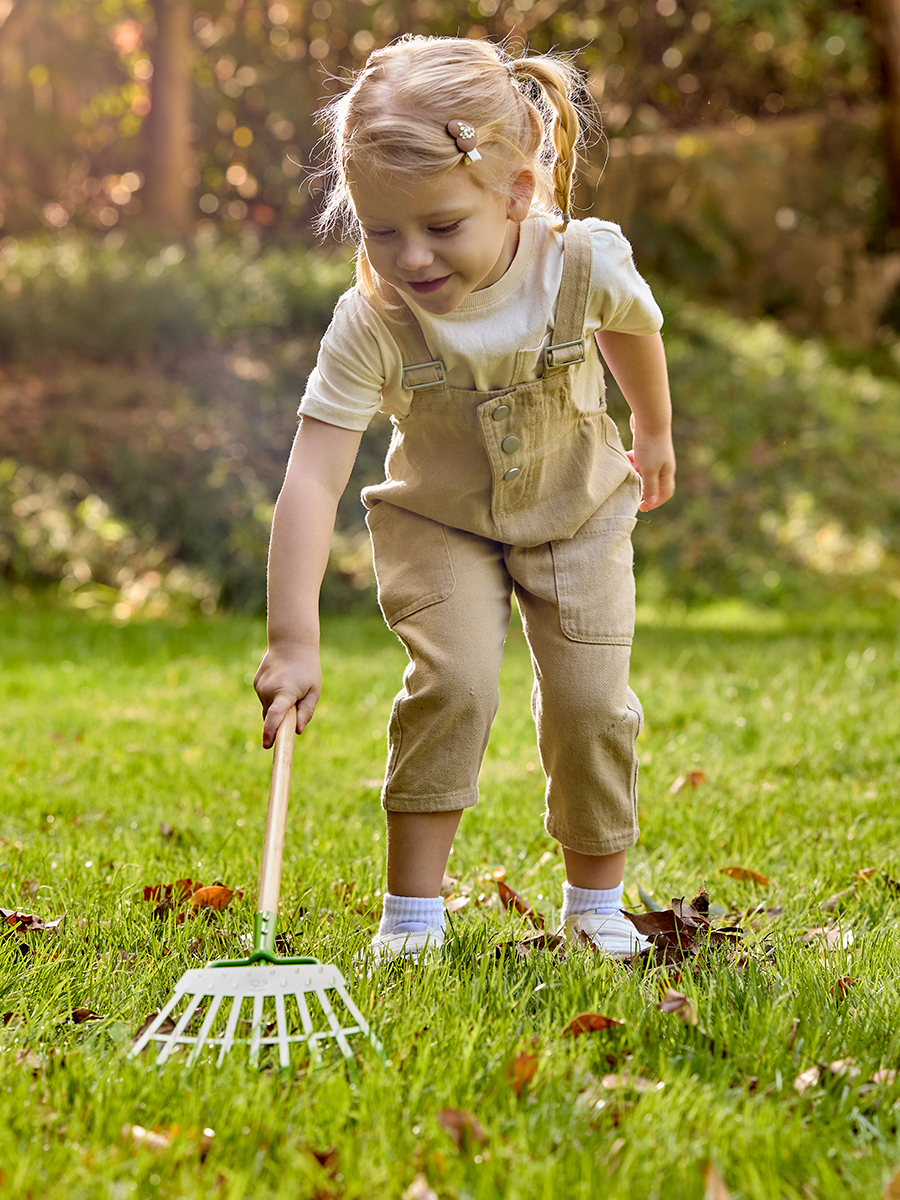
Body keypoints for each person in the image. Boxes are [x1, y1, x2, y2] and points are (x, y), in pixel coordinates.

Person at [254, 35, 676, 965]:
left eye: (441, 226)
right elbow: (313, 475)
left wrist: (653, 429)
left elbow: (634, 330)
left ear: (518, 191)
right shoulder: (374, 320)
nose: (410, 257)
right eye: (380, 230)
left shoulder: (582, 265)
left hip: (577, 507)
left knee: (590, 702)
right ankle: (411, 918)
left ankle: (595, 905)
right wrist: (293, 640)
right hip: (437, 520)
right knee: (453, 685)